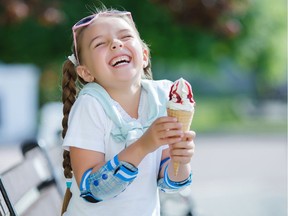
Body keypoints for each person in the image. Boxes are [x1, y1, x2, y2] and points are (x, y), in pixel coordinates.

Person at [61, 6, 196, 216]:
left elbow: (170, 184)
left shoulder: (162, 98)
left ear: (144, 56)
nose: (116, 43)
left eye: (125, 36)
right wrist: (143, 145)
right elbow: (92, 189)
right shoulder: (91, 105)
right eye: (100, 43)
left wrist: (181, 161)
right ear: (86, 72)